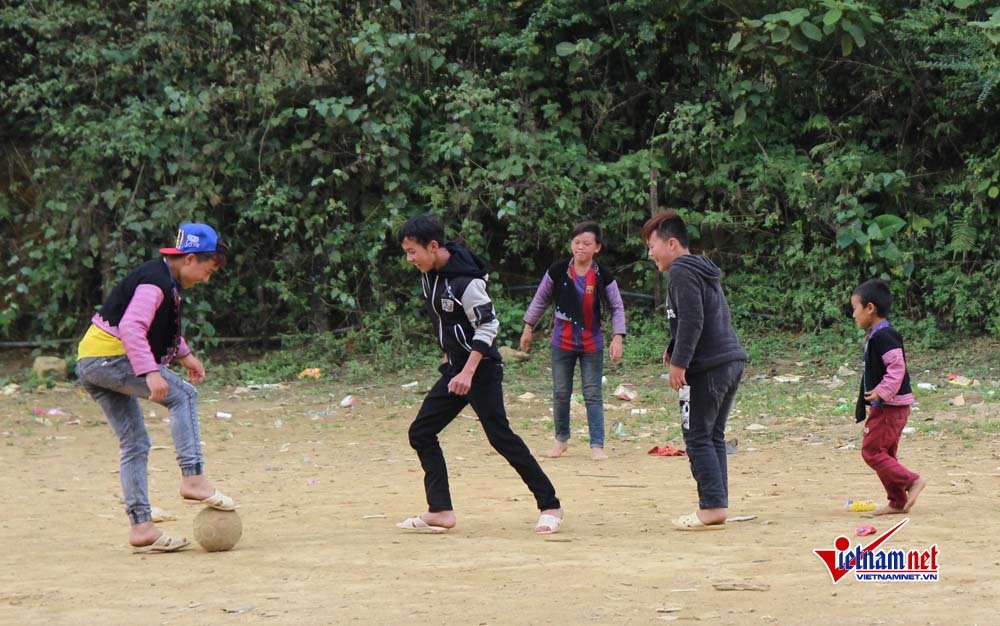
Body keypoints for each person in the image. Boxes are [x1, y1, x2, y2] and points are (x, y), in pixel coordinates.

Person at [396, 213, 564, 534]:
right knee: (421, 432)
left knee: (500, 437)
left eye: (413, 251)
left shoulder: (467, 281)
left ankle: (550, 505)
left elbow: (488, 325)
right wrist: (451, 360)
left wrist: (468, 371)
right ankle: (441, 511)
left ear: (433, 246)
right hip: (456, 369)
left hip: (481, 368)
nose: (410, 259)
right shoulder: (429, 275)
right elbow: (444, 320)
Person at [76, 222, 236, 553]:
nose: (205, 279)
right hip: (111, 359)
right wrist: (150, 371)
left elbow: (159, 328)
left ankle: (142, 528)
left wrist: (186, 355)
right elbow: (133, 327)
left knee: (134, 442)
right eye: (207, 271)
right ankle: (192, 478)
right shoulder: (156, 283)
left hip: (92, 362)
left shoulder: (163, 280)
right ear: (190, 259)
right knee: (184, 396)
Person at [642, 210, 747, 530]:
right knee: (712, 435)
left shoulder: (681, 271)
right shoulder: (701, 269)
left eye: (652, 246)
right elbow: (702, 317)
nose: (650, 254)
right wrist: (674, 347)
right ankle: (717, 504)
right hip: (729, 360)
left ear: (672, 243)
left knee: (698, 436)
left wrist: (679, 364)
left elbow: (692, 320)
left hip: (708, 367)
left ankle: (711, 507)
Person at [520, 220, 627, 461]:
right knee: (560, 393)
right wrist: (528, 328)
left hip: (592, 343)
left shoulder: (602, 276)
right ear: (571, 244)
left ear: (597, 247)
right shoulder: (557, 271)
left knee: (592, 394)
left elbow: (617, 307)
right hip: (562, 342)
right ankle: (561, 440)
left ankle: (597, 445)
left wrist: (617, 337)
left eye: (586, 243)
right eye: (577, 242)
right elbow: (540, 300)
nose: (581, 247)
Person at [850, 278, 927, 515]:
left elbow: (897, 367)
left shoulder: (886, 336)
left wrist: (882, 392)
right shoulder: (876, 335)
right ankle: (897, 502)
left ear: (870, 308)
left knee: (871, 452)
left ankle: (912, 481)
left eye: (855, 308)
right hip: (886, 405)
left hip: (890, 406)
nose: (853, 315)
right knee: (886, 455)